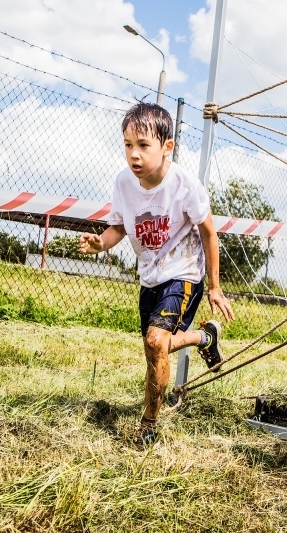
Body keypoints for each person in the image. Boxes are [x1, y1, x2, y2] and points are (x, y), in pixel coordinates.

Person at [79, 102, 234, 446]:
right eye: (128, 145)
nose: (134, 154)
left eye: (143, 145)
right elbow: (119, 227)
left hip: (183, 272)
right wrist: (101, 243)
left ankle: (148, 424)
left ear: (167, 147)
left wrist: (215, 287)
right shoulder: (124, 182)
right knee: (156, 349)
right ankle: (204, 337)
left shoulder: (185, 184)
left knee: (155, 342)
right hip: (149, 276)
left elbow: (209, 233)